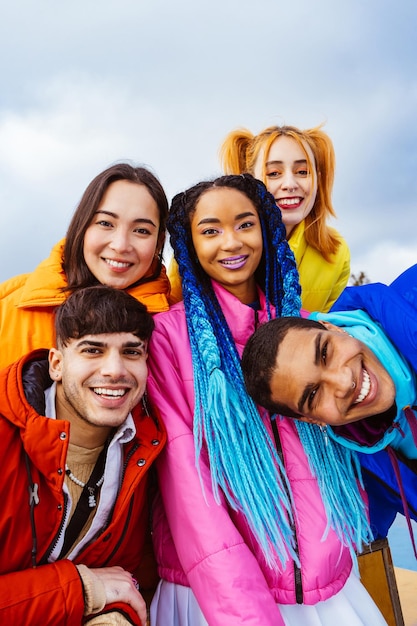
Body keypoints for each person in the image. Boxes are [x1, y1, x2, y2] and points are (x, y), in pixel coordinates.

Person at [146, 173, 386, 625]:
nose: (231, 243)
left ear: (267, 230)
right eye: (210, 231)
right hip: (217, 599)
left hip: (328, 593)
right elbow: (190, 491)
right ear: (189, 246)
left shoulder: (306, 327)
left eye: (245, 224)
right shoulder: (169, 340)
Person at [0, 285, 166, 625]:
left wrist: (113, 615)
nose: (115, 370)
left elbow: (127, 582)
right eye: (93, 350)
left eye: (132, 352)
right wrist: (82, 588)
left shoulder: (142, 451)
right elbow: (98, 584)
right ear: (57, 364)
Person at [241, 264, 417, 540]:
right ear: (309, 419)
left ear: (332, 326)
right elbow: (365, 529)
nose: (344, 382)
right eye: (313, 395)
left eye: (325, 352)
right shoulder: (362, 458)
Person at [0, 162, 172, 370]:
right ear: (82, 226)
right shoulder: (8, 305)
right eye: (106, 223)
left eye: (141, 230)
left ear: (159, 242)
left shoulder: (176, 326)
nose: (120, 245)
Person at [218, 124, 351, 312]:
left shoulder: (336, 251)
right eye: (273, 174)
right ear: (248, 181)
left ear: (318, 179)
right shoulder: (210, 241)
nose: (290, 184)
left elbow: (329, 325)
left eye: (303, 172)